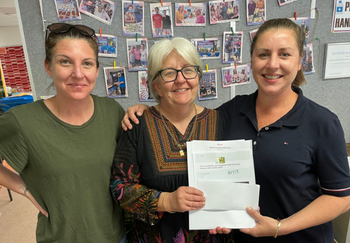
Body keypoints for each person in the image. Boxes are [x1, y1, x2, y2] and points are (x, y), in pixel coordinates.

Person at [121, 18, 350, 243]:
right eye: (263, 54)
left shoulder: (322, 122)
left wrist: (280, 227)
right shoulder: (231, 113)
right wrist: (146, 110)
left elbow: (341, 199)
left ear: (301, 61)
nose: (272, 64)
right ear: (251, 60)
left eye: (284, 54)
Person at [0, 23, 126, 243]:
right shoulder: (22, 121)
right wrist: (24, 190)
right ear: (48, 67)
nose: (78, 74)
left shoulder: (111, 111)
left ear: (96, 70)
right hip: (61, 237)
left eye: (87, 63)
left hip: (116, 235)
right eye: (65, 61)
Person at [110, 37, 233, 243]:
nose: (181, 79)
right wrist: (166, 201)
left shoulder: (221, 121)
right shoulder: (137, 125)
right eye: (169, 73)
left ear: (198, 77)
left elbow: (235, 179)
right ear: (156, 86)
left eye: (188, 70)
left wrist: (232, 213)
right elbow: (119, 187)